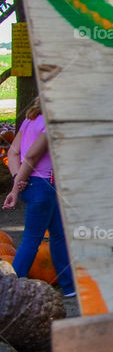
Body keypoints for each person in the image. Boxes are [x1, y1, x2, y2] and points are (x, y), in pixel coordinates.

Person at [2, 99, 74, 297]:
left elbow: (14, 152)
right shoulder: (49, 123)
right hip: (42, 186)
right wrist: (16, 188)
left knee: (59, 234)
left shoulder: (30, 120)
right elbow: (32, 156)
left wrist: (17, 178)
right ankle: (8, 291)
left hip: (36, 184)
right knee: (31, 240)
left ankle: (68, 286)